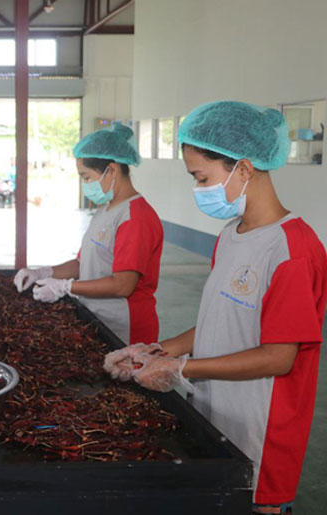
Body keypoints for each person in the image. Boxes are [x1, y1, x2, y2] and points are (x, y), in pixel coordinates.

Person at [107, 101, 327, 514]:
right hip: (216, 410)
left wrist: (182, 369)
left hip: (260, 426)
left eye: (202, 177)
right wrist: (159, 349)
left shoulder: (292, 250)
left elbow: (279, 357)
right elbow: (219, 320)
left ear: (244, 169)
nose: (198, 189)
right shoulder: (231, 234)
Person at [13, 124, 164, 346]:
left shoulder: (136, 217)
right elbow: (81, 263)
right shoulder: (106, 210)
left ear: (111, 170)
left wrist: (66, 287)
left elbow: (123, 285)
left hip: (125, 328)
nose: (85, 184)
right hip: (100, 318)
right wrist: (44, 272)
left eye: (86, 177)